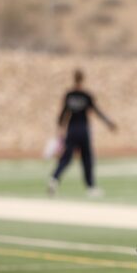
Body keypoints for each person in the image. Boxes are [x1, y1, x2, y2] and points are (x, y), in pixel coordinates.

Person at [47, 69, 116, 198]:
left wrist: (60, 130)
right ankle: (91, 187)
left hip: (72, 130)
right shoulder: (86, 95)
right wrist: (109, 123)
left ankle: (54, 178)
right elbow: (97, 111)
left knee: (66, 157)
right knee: (87, 158)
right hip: (83, 130)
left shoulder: (69, 95)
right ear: (83, 79)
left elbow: (63, 115)